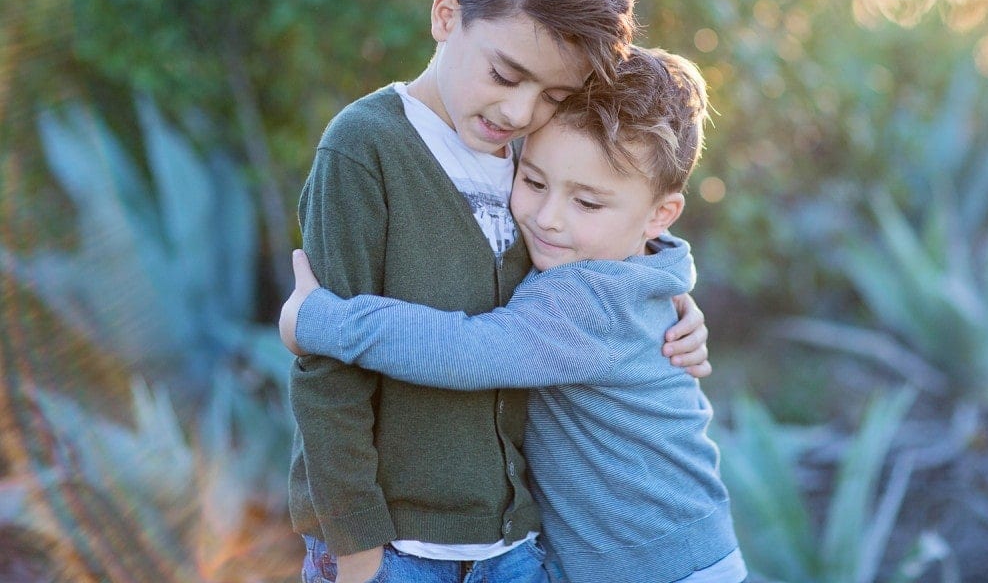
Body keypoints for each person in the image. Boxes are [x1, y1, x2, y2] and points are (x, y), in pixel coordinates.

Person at [289, 0, 711, 583]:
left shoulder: (532, 162)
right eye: (505, 73)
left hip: (512, 548)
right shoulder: (365, 147)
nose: (519, 111)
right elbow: (327, 376)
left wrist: (666, 298)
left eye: (553, 93)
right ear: (447, 15)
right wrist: (355, 549)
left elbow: (585, 265)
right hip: (394, 552)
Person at [282, 46, 746, 583]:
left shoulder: (587, 295)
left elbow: (468, 350)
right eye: (533, 181)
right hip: (686, 554)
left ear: (659, 215)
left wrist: (323, 321)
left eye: (587, 203)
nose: (548, 219)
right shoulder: (641, 272)